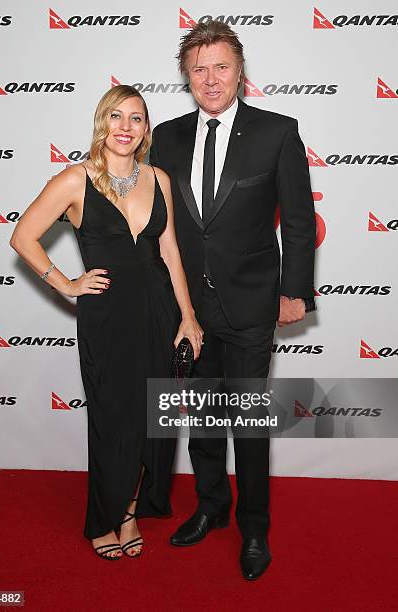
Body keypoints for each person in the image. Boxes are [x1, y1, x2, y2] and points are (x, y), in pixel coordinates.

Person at [150, 22, 316, 580]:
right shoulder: (166, 137)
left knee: (247, 423)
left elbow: (296, 222)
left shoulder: (276, 131)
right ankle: (211, 508)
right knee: (201, 419)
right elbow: (157, 224)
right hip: (188, 311)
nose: (211, 78)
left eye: (221, 66)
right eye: (199, 69)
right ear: (187, 77)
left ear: (240, 71)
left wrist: (294, 292)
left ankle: (254, 529)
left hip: (251, 307)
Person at [9, 85, 203, 560]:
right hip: (108, 317)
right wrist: (66, 283)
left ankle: (130, 511)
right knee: (114, 417)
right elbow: (23, 236)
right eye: (116, 117)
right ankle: (104, 516)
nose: (125, 128)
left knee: (149, 418)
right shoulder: (75, 181)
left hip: (159, 312)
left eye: (136, 119)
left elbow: (170, 251)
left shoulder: (158, 179)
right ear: (102, 122)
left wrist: (189, 317)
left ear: (145, 129)